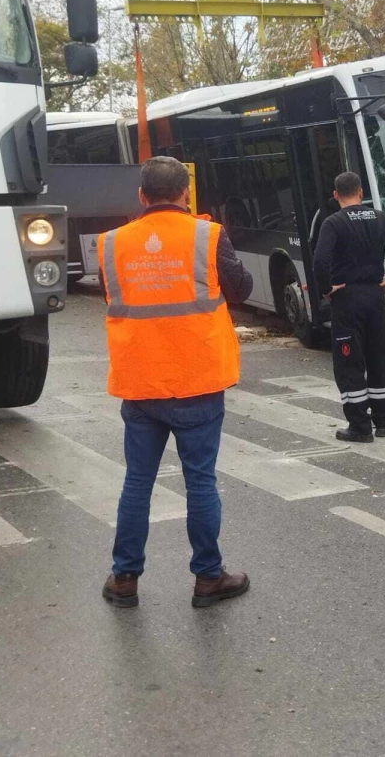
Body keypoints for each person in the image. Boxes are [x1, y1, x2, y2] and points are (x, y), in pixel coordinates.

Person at [97, 156, 254, 609]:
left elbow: (113, 295)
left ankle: (124, 578)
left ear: (142, 196)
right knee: (200, 481)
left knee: (137, 482)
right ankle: (208, 578)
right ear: (185, 194)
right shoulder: (208, 235)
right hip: (197, 378)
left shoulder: (111, 244)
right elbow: (240, 288)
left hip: (140, 381)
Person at [312, 171, 385, 443]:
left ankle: (359, 426)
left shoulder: (333, 223)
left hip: (347, 300)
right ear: (360, 192)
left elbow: (320, 262)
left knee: (349, 362)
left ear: (336, 195)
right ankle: (384, 422)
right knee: (377, 357)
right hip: (375, 296)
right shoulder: (381, 218)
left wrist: (326, 289)